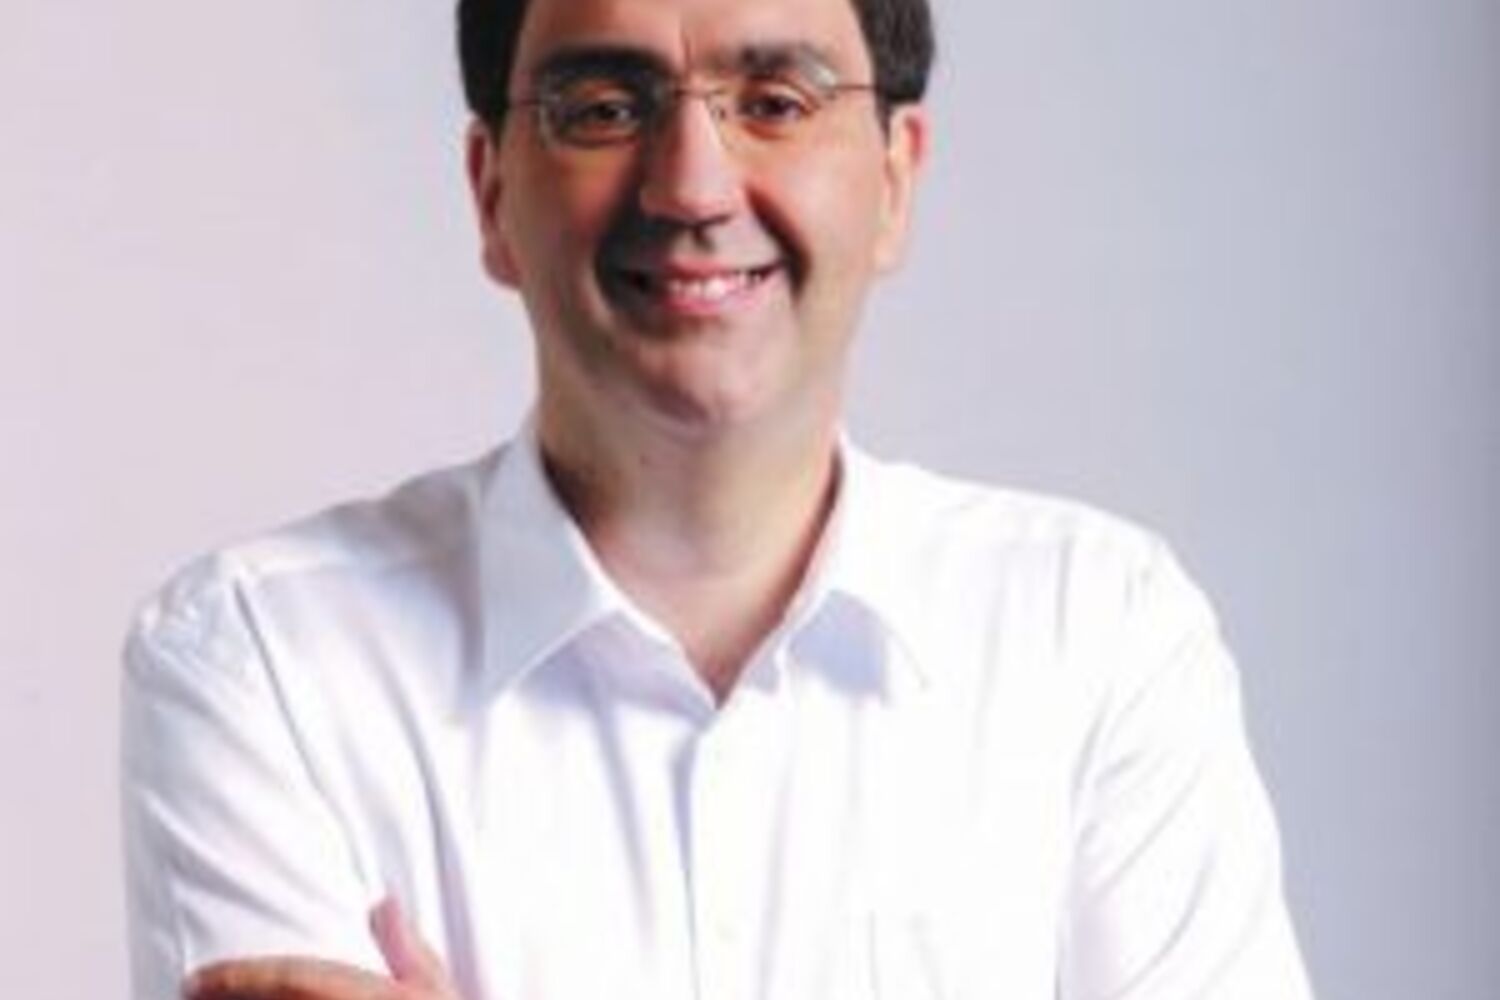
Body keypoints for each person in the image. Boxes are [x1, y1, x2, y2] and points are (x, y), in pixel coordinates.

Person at [121, 0, 1315, 996]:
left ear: (895, 178)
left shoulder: (1097, 634)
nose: (693, 186)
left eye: (777, 102)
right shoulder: (263, 656)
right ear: (491, 194)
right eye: (604, 107)